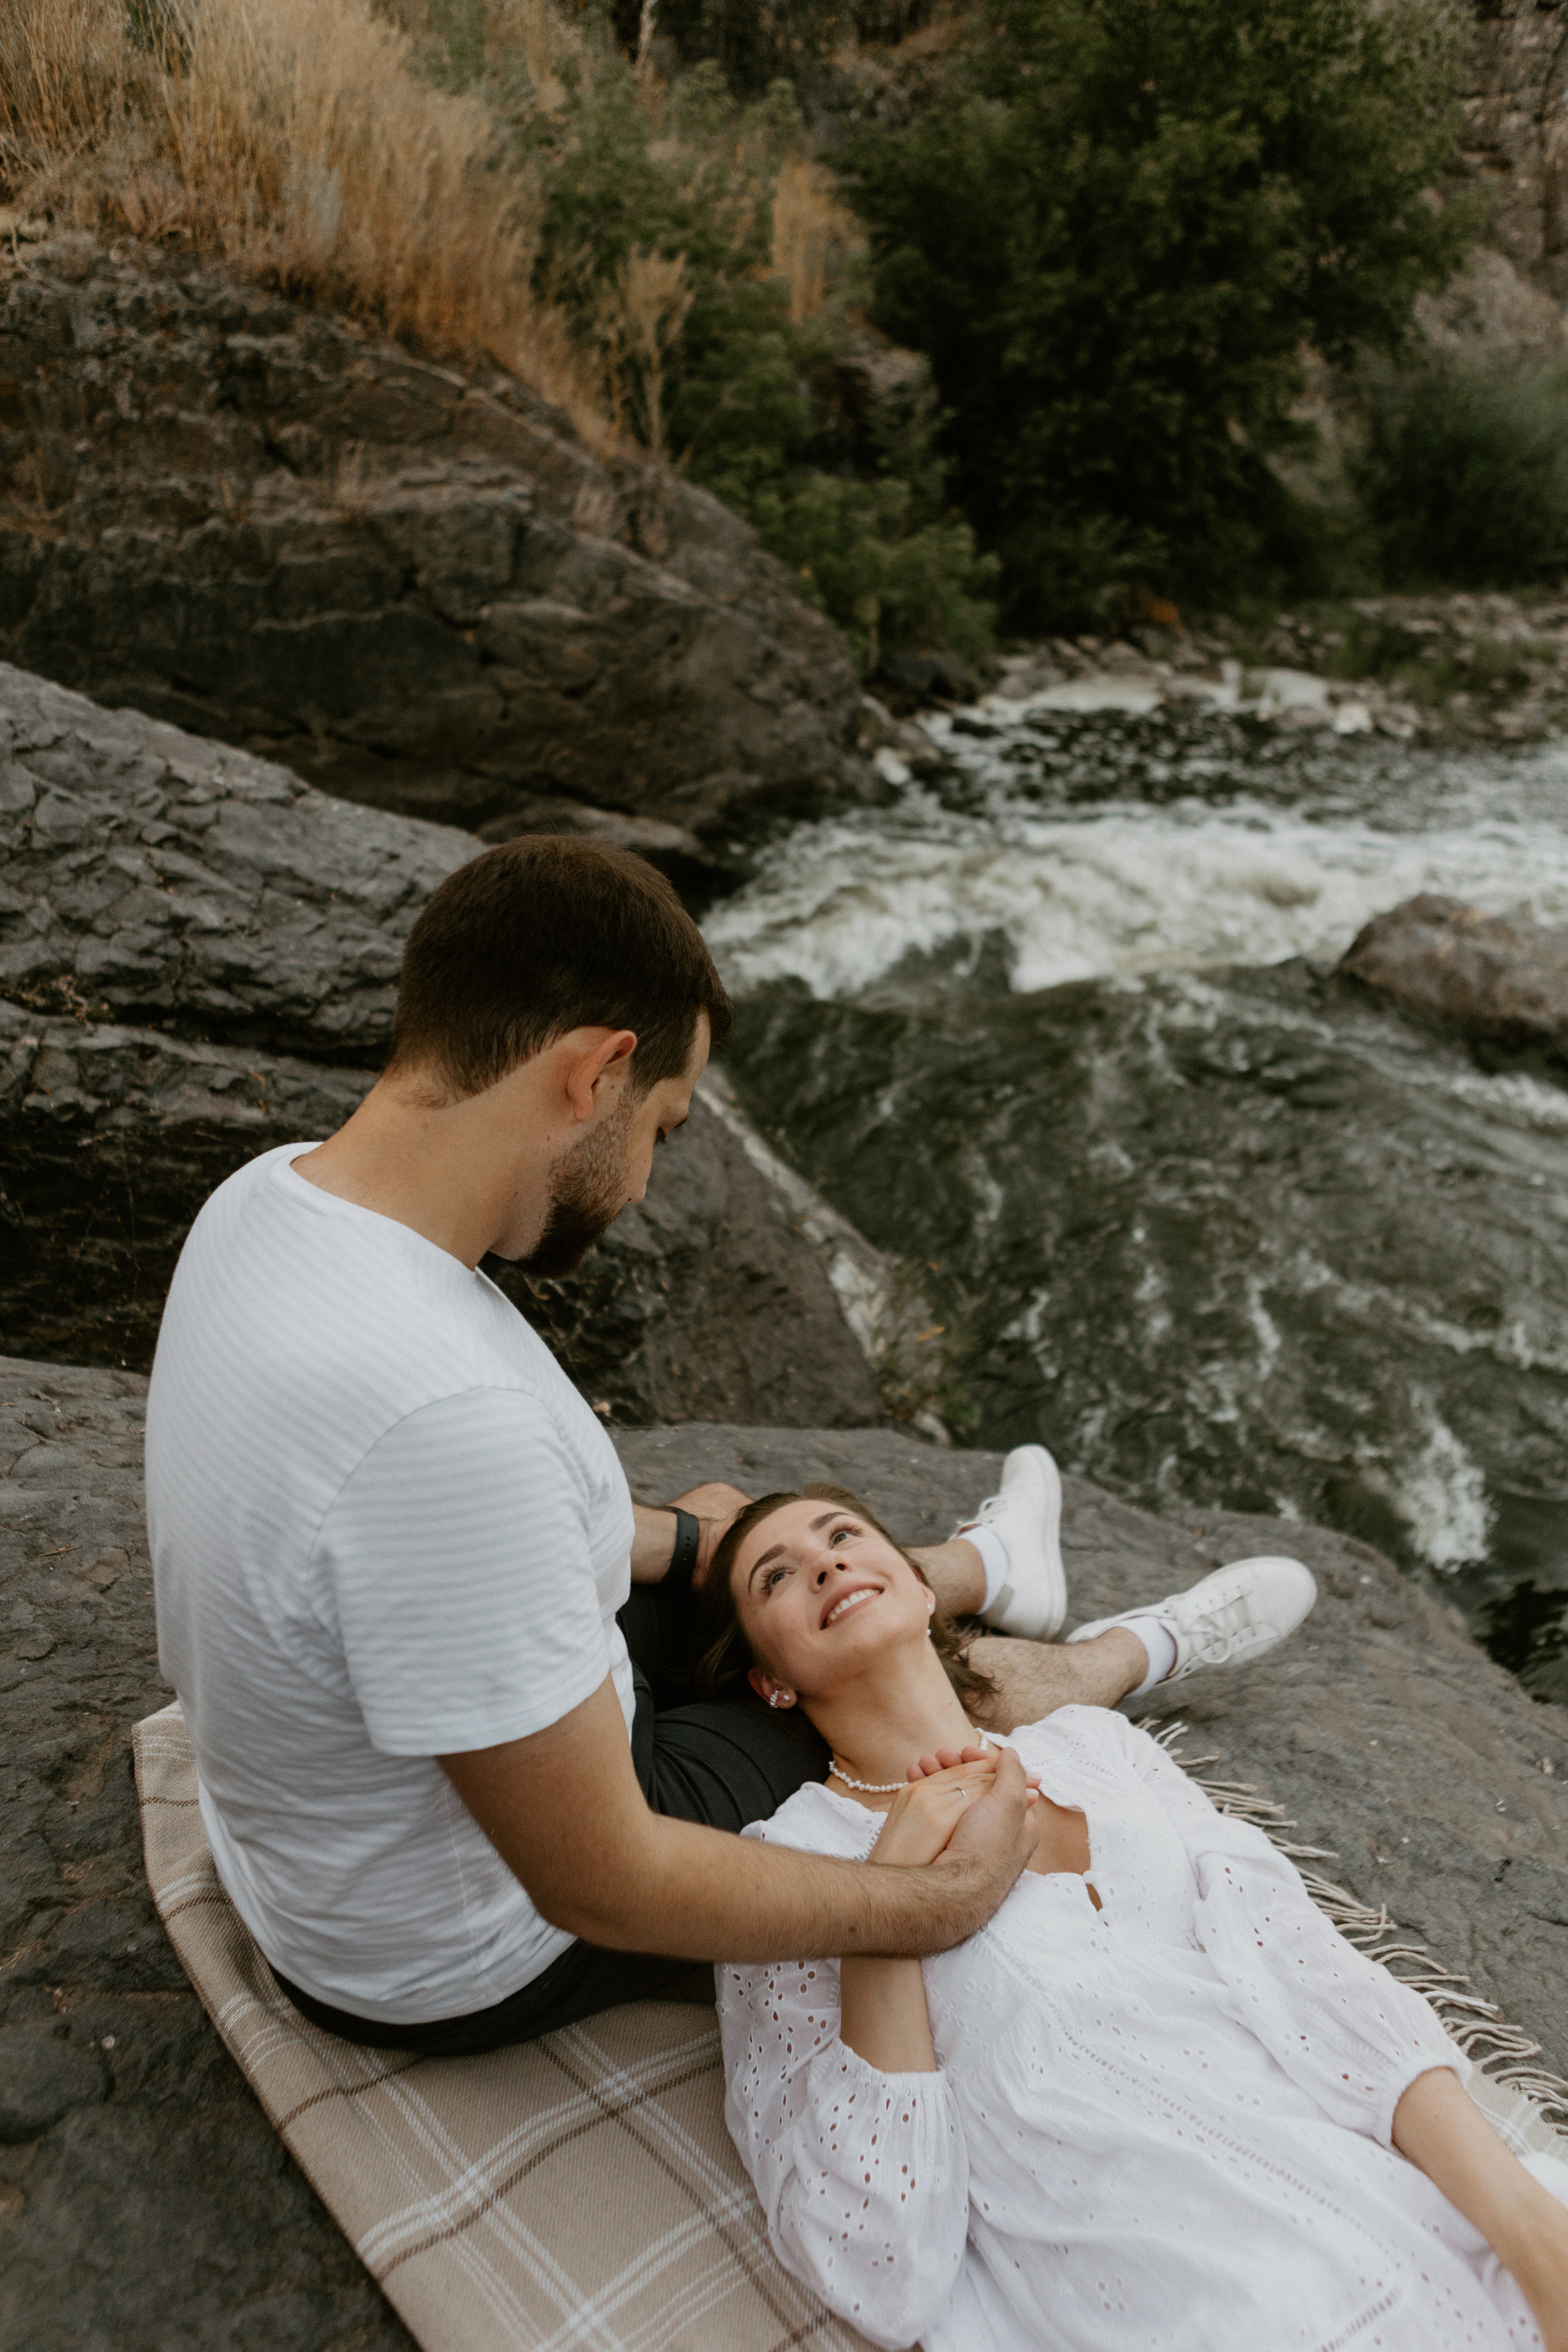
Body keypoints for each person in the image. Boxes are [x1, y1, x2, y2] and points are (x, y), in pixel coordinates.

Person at [146, 835, 1314, 2058]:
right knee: (861, 1671)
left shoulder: (272, 1200)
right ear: (593, 1074)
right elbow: (603, 1881)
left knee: (733, 1531)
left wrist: (696, 1539)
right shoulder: (440, 1428)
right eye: (662, 1122)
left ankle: (980, 1572)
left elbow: (452, 1528)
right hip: (465, 1946)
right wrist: (932, 1905)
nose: (645, 1180)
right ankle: (1102, 1664)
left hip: (346, 1833)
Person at [699, 1484, 1568, 2352]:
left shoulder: (1096, 1745)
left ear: (927, 1590)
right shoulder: (785, 1868)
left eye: (844, 1533)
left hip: (1375, 2202)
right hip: (1167, 2293)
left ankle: (1158, 1640)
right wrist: (885, 1901)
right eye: (777, 1577)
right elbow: (877, 2269)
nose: (825, 1562)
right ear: (770, 1682)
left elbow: (1311, 1974)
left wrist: (1525, 2224)